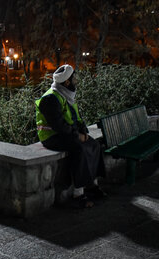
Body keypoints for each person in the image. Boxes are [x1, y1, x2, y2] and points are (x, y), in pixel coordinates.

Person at [35, 64, 106, 208]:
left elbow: (76, 117)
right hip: (52, 137)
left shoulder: (66, 94)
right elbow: (58, 125)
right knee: (78, 149)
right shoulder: (50, 98)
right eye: (74, 78)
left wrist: (83, 130)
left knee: (94, 145)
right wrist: (77, 136)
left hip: (67, 133)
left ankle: (92, 184)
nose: (76, 80)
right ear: (67, 82)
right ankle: (78, 193)